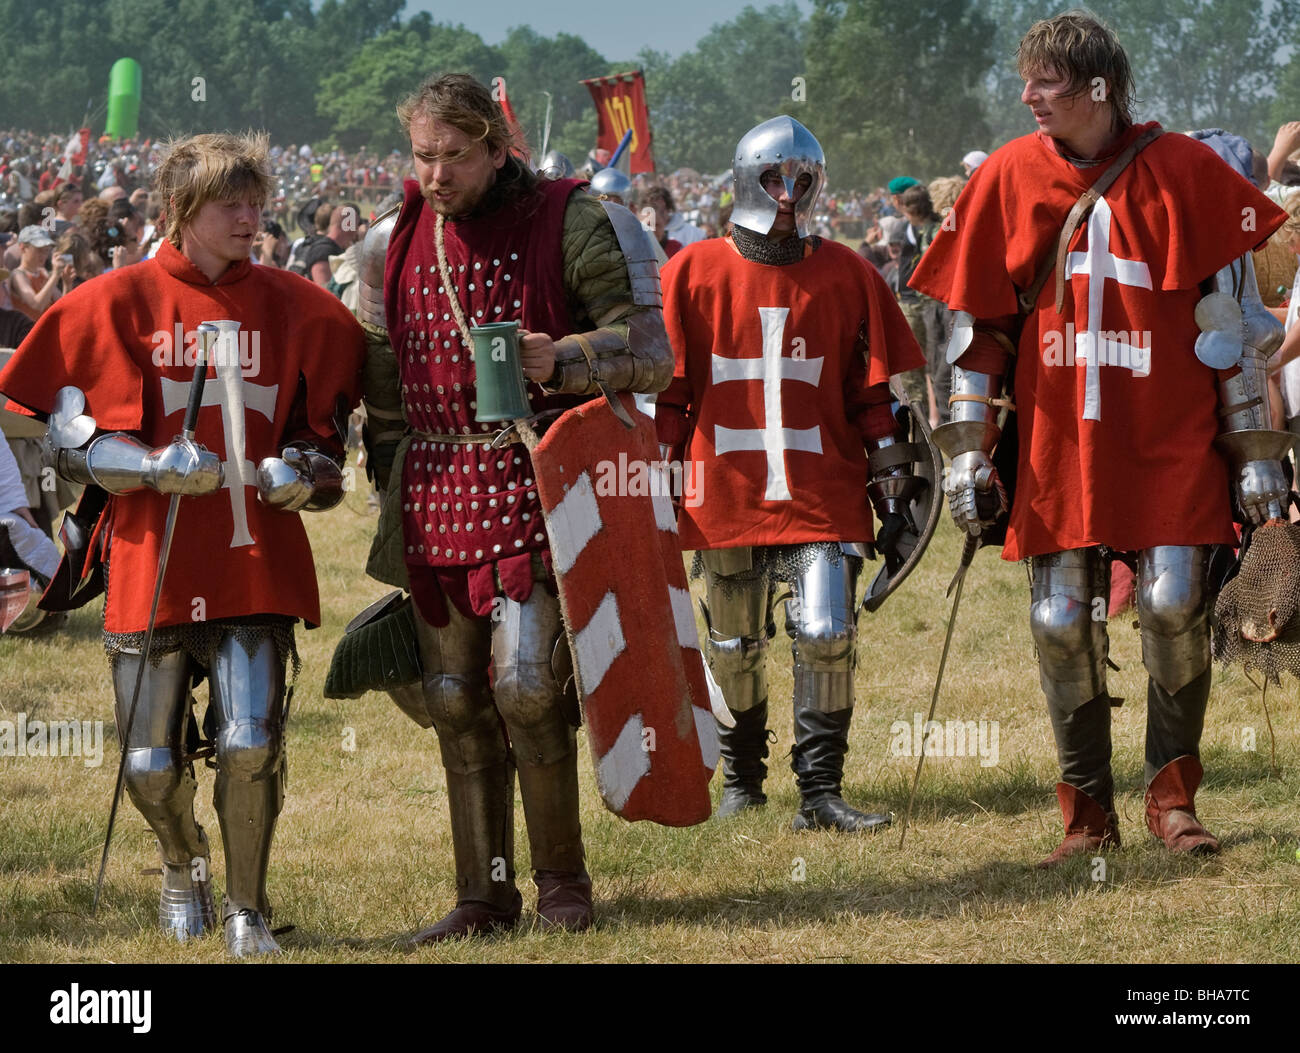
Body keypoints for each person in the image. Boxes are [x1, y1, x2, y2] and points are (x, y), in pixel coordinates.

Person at [910, 12, 1289, 866]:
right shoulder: (1007, 175)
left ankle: (1172, 798)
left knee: (1173, 606)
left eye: (1045, 82)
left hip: (1171, 430)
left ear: (1098, 88)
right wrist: (968, 448)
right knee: (1058, 620)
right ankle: (1086, 815)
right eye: (1028, 80)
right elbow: (978, 331)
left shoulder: (1186, 171)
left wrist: (1258, 456)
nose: (1028, 96)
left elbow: (1227, 327)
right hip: (1058, 439)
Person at [0, 131, 365, 954]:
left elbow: (327, 445)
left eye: (256, 203)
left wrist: (299, 473)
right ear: (181, 211)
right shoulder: (113, 301)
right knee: (151, 766)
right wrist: (152, 462)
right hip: (148, 555)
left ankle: (246, 907)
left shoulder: (302, 308)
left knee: (250, 742)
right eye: (231, 205)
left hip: (252, 557)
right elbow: (62, 435)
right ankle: (182, 861)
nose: (252, 219)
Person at [354, 73, 672, 941]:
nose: (436, 175)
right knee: (455, 696)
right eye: (422, 157)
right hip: (434, 493)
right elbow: (384, 392)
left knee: (527, 685)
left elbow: (649, 348)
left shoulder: (572, 218)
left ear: (499, 145)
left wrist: (558, 358)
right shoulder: (389, 242)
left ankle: (562, 884)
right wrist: (393, 484)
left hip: (534, 479)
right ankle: (483, 896)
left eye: (455, 157)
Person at [656, 116, 928, 832]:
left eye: (801, 180)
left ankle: (822, 791)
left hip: (822, 486)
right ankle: (742, 780)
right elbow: (671, 398)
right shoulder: (691, 272)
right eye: (775, 179)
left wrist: (895, 496)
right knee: (733, 643)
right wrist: (652, 482)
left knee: (828, 629)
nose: (787, 193)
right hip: (726, 486)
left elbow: (873, 398)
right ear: (747, 181)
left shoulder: (847, 272)